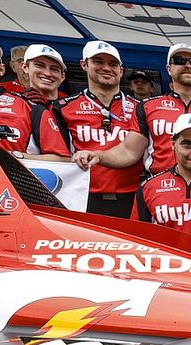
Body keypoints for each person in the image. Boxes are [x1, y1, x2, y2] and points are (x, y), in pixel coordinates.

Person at [72, 44, 191, 178]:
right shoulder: (147, 106)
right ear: (168, 68)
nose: (188, 65)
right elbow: (129, 151)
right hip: (159, 191)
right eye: (180, 60)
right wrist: (98, 156)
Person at [53, 41, 142, 217]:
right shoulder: (63, 107)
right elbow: (58, 157)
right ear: (84, 64)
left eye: (113, 64)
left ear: (121, 70)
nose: (106, 68)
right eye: (98, 61)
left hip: (132, 198)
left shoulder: (141, 108)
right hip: (83, 197)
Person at [0, 39, 69, 161]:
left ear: (2, 69)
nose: (47, 73)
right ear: (24, 67)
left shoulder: (29, 107)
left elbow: (63, 159)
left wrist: (17, 157)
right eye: (40, 65)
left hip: (5, 179)